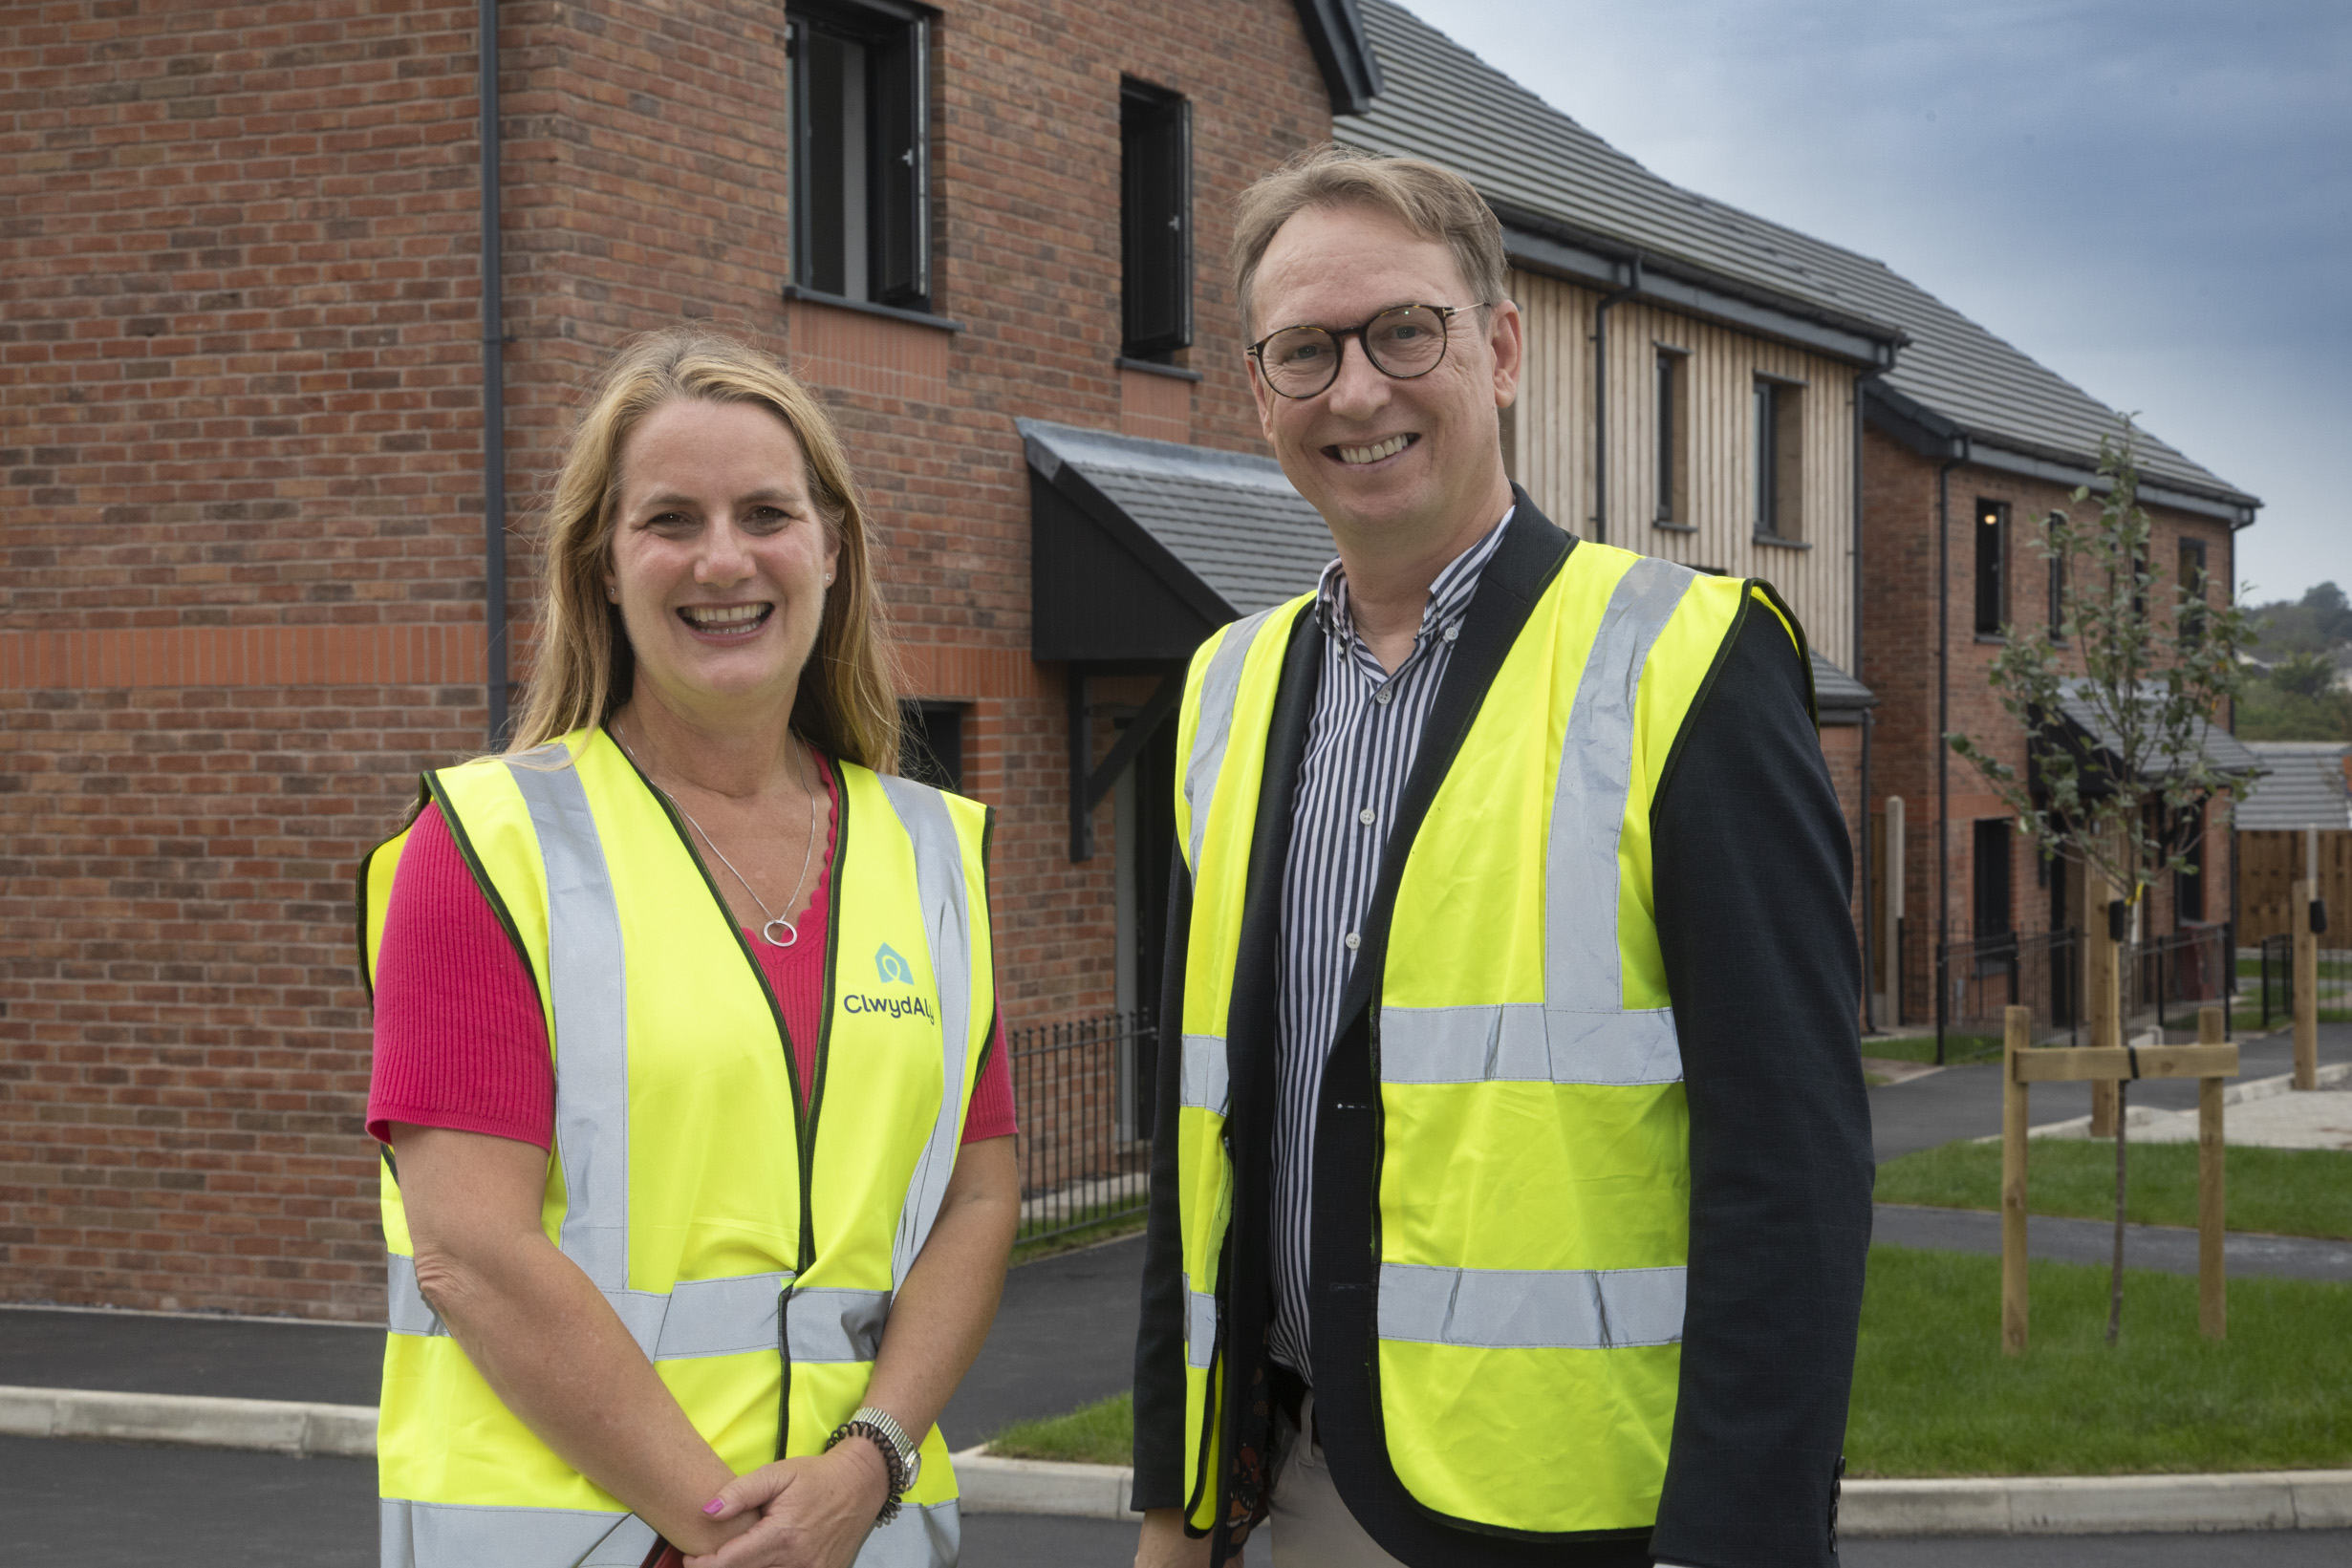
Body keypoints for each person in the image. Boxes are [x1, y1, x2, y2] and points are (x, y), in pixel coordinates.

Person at [1131, 149, 1874, 1568]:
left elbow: (1790, 1170)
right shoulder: (1223, 690)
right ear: (1257, 390)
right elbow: (1200, 1135)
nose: (1356, 390)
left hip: (1584, 1509)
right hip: (1291, 1484)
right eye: (1304, 351)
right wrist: (1173, 1502)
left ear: (1502, 347)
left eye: (1403, 331)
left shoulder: (1683, 661)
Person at [358, 328, 1020, 1568]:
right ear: (604, 566)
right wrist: (736, 1534)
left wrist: (864, 1461)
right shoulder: (489, 845)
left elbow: (977, 1196)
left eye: (765, 511)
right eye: (670, 519)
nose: (724, 558)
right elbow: (471, 1249)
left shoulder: (931, 853)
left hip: (857, 1535)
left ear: (828, 544)